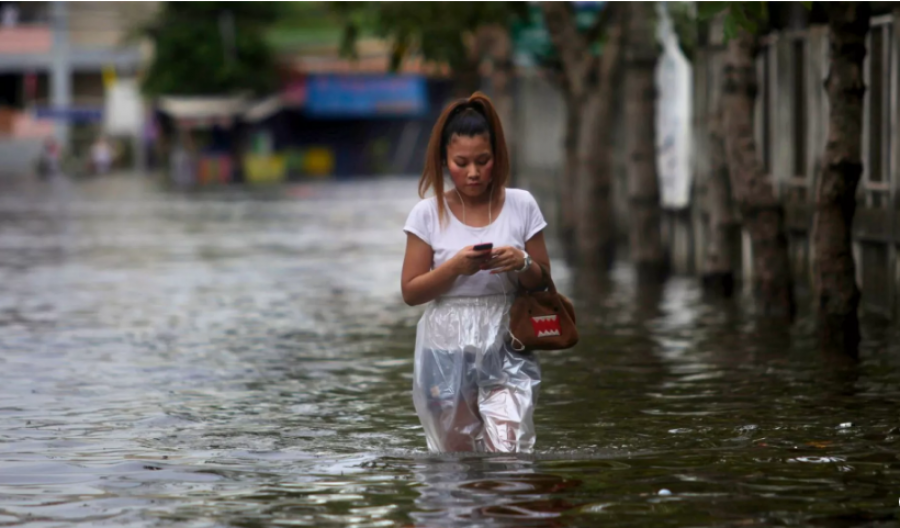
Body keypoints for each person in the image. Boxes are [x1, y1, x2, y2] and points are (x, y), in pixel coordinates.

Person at [401, 92, 552, 453]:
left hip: (507, 337)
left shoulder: (522, 204)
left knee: (508, 453)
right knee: (456, 460)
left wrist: (522, 262)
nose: (472, 172)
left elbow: (545, 281)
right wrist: (455, 267)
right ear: (444, 161)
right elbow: (411, 292)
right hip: (446, 343)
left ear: (497, 157)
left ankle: (504, 508)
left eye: (483, 161)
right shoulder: (426, 213)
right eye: (461, 162)